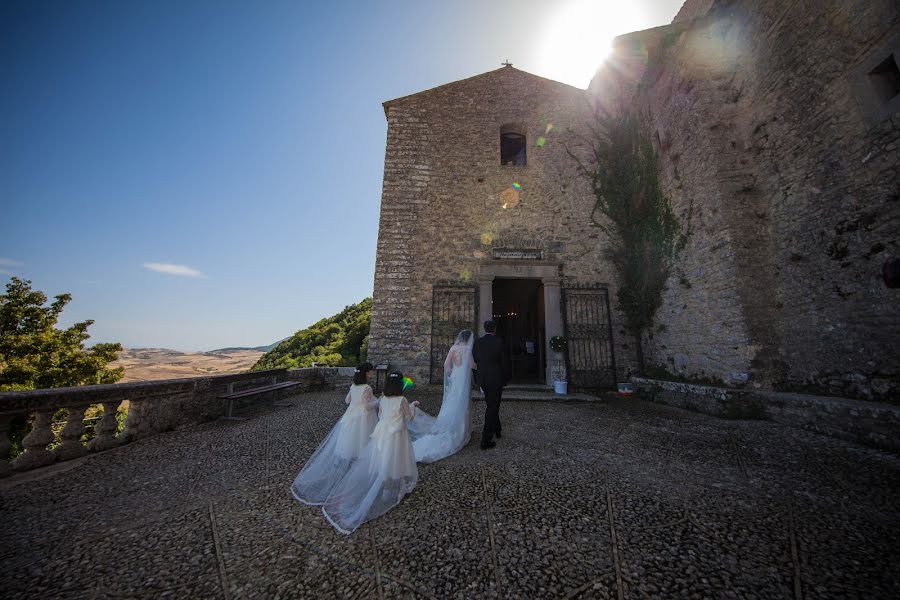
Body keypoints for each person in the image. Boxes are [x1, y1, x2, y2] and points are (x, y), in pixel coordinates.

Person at [322, 371, 420, 534]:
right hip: (397, 434)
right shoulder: (402, 400)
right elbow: (409, 418)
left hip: (382, 432)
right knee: (397, 457)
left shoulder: (382, 399)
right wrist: (413, 406)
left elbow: (381, 415)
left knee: (384, 458)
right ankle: (395, 486)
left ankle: (387, 489)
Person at [290, 362, 378, 505]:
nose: (372, 373)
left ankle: (350, 466)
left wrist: (357, 402)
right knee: (363, 440)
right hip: (363, 418)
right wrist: (378, 402)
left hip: (350, 416)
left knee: (350, 441)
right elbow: (368, 407)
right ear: (366, 373)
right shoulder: (367, 388)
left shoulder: (353, 386)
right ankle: (360, 472)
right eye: (371, 371)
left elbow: (347, 400)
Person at [408, 330, 475, 463]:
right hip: (463, 379)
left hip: (456, 377)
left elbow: (446, 365)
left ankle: (448, 423)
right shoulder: (467, 349)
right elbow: (472, 365)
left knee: (452, 401)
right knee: (462, 402)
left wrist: (450, 375)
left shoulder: (453, 348)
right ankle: (460, 429)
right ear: (468, 339)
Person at [473, 320, 508, 450]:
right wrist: (505, 378)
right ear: (494, 329)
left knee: (492, 404)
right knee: (492, 407)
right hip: (495, 379)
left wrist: (478, 377)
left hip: (484, 379)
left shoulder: (478, 342)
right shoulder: (499, 342)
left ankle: (497, 429)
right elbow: (503, 362)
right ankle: (485, 440)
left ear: (484, 328)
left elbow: (475, 359)